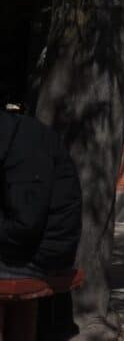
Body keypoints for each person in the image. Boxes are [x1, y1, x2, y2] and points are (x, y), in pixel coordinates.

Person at [0, 105, 81, 280]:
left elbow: (24, 228)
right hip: (25, 249)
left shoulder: (25, 149)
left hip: (40, 257)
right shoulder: (11, 139)